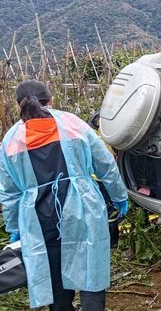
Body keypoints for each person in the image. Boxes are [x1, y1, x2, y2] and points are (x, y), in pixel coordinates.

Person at [0, 80, 129, 310]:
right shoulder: (73, 124)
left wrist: (14, 229)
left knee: (55, 280)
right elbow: (105, 164)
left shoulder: (10, 140)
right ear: (50, 100)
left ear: (19, 104)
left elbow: (9, 193)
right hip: (83, 210)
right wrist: (119, 197)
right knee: (91, 272)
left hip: (40, 222)